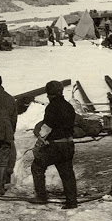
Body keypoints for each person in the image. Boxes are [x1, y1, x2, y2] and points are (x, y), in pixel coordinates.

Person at [30, 81, 78, 209]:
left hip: (56, 147)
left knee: (37, 166)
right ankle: (72, 201)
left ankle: (41, 196)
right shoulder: (69, 106)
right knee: (67, 172)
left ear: (50, 94)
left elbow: (46, 128)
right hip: (69, 144)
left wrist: (38, 144)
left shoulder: (52, 107)